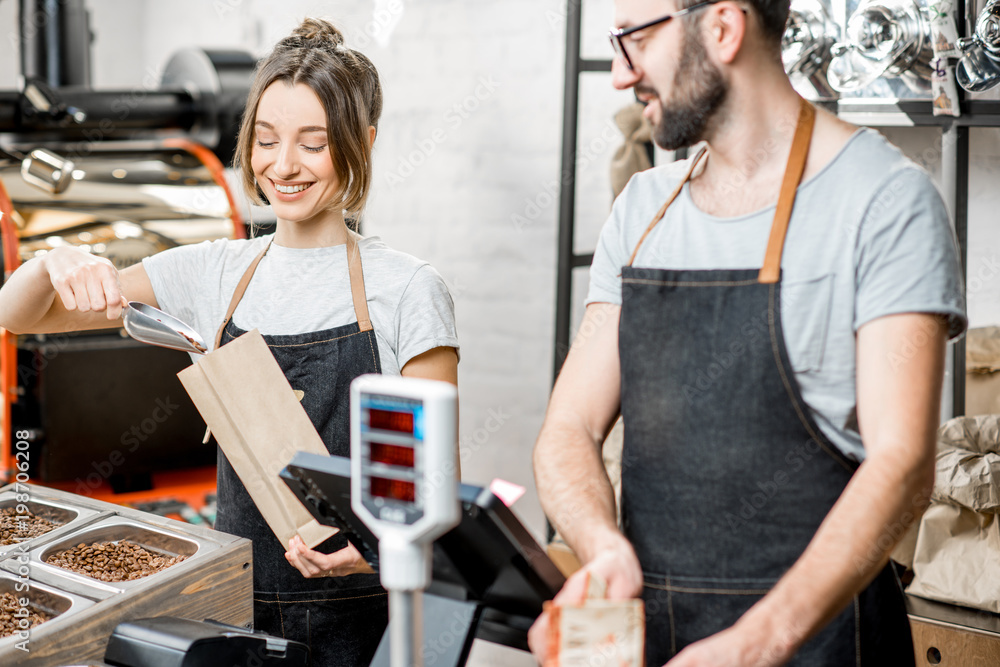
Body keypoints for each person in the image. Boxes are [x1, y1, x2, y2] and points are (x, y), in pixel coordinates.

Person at [0, 18, 459, 667]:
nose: (283, 165)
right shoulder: (214, 271)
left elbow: (434, 486)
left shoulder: (408, 288)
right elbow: (20, 315)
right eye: (266, 140)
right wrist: (55, 260)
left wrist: (381, 548)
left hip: (362, 617)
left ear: (363, 142)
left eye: (314, 143)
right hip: (230, 617)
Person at [529, 0, 966, 665]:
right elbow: (568, 430)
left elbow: (902, 465)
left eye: (634, 41)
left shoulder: (885, 201)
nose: (621, 75)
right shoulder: (644, 210)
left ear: (723, 29)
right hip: (663, 639)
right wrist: (603, 546)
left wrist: (757, 643)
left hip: (827, 646)